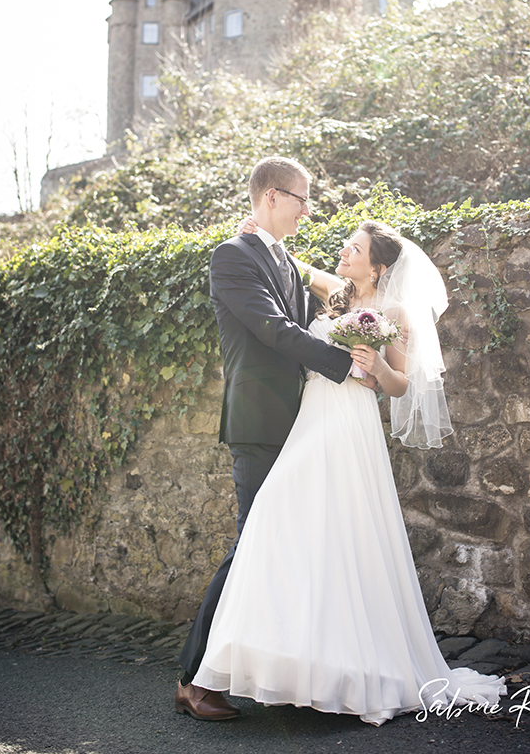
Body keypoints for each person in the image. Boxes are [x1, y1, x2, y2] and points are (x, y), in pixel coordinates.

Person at [189, 220, 507, 725]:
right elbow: (289, 264)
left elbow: (402, 385)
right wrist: (256, 233)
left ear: (377, 266)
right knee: (283, 520)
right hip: (310, 417)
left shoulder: (395, 311)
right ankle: (294, 660)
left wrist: (377, 369)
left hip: (351, 423)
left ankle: (351, 665)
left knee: (344, 531)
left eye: (353, 249)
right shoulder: (334, 297)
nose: (344, 252)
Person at [175, 157, 353, 721]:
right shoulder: (231, 256)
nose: (309, 209)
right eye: (303, 199)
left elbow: (318, 308)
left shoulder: (280, 256)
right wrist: (345, 365)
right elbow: (275, 331)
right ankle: (192, 679)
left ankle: (285, 671)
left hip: (299, 419)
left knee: (289, 545)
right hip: (257, 422)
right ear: (272, 196)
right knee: (251, 543)